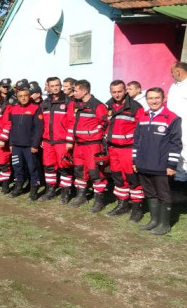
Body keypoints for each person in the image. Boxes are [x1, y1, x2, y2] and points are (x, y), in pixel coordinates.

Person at [134, 87, 182, 235]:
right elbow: (136, 141)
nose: (153, 101)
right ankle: (154, 221)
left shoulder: (172, 118)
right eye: (150, 98)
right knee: (150, 193)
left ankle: (164, 224)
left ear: (163, 99)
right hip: (143, 164)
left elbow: (176, 143)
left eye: (157, 98)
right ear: (146, 100)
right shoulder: (143, 116)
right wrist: (135, 161)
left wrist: (172, 164)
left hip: (161, 165)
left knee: (163, 194)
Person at [104, 80, 145, 219]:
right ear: (110, 92)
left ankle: (137, 207)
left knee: (132, 178)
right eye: (114, 92)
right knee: (117, 177)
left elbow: (142, 130)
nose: (117, 94)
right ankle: (122, 204)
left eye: (119, 91)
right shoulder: (108, 106)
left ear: (125, 91)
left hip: (128, 149)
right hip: (113, 149)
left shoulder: (135, 107)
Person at [65, 80, 108, 208]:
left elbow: (105, 123)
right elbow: (71, 123)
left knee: (96, 173)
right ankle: (81, 196)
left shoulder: (97, 105)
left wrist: (93, 134)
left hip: (93, 145)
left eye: (76, 91)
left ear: (84, 91)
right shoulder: (75, 104)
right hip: (78, 144)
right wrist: (70, 140)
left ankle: (99, 200)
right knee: (79, 171)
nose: (74, 93)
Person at [7, 84, 44, 199]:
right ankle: (18, 186)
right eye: (20, 96)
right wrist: (11, 143)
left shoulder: (35, 108)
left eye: (25, 95)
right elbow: (11, 128)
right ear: (17, 97)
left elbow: (39, 129)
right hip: (16, 146)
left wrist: (35, 144)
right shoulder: (13, 109)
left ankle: (34, 188)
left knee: (32, 167)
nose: (23, 98)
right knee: (17, 166)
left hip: (29, 146)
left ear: (29, 96)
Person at [40, 77, 73, 203]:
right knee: (48, 167)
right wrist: (42, 138)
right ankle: (50, 190)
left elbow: (71, 122)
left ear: (61, 86)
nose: (55, 88)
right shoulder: (45, 103)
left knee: (64, 167)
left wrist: (69, 140)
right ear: (48, 87)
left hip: (62, 141)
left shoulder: (69, 102)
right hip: (48, 142)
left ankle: (65, 192)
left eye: (57, 85)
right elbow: (42, 122)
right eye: (52, 85)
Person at [167, 61, 187, 188]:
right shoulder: (174, 86)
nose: (171, 75)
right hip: (175, 126)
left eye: (172, 72)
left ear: (178, 72)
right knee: (178, 152)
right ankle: (180, 180)